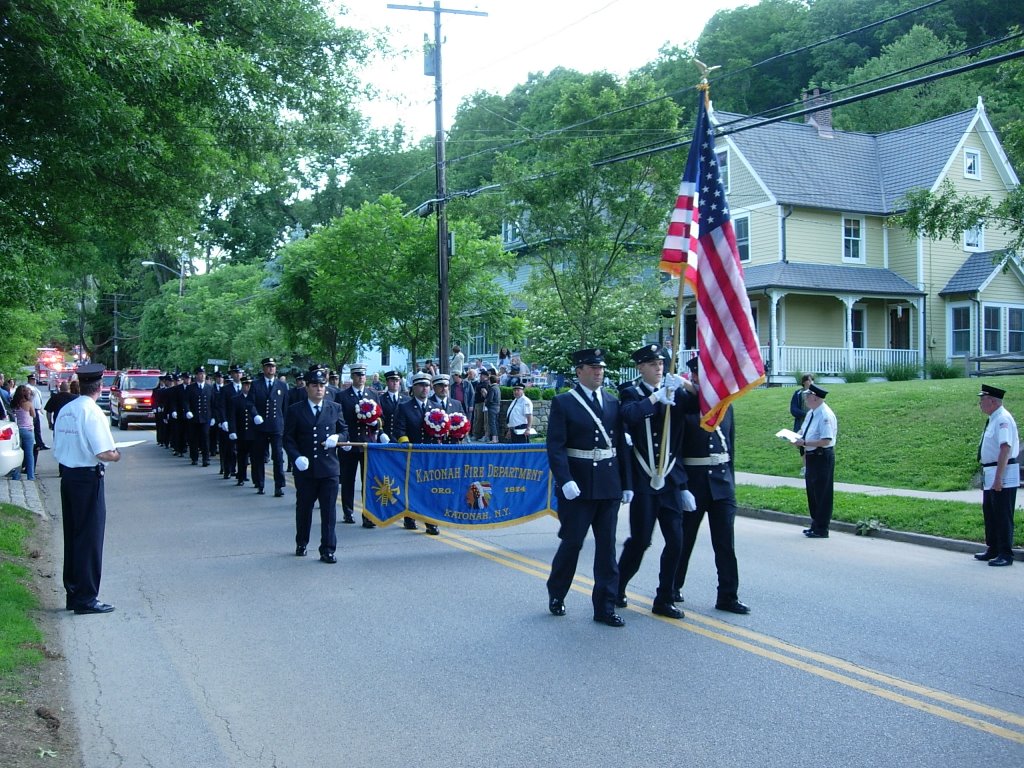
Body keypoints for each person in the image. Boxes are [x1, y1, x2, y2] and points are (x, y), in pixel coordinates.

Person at [545, 348, 631, 627]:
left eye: (601, 368)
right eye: (592, 367)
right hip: (577, 487)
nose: (598, 372)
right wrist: (565, 479)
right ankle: (557, 592)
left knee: (607, 548)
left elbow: (620, 447)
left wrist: (627, 483)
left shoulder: (612, 402)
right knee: (573, 543)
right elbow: (555, 447)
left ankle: (604, 607)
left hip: (608, 485)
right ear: (579, 371)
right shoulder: (564, 402)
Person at [616, 344, 688, 619]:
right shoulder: (631, 393)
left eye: (661, 363)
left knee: (676, 540)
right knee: (640, 540)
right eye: (652, 364)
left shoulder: (675, 391)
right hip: (645, 480)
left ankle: (665, 597)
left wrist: (683, 386)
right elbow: (630, 416)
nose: (659, 367)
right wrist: (658, 397)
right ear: (640, 368)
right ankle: (618, 587)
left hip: (669, 480)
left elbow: (698, 407)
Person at [674, 356, 750, 614]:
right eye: (700, 376)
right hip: (694, 483)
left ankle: (728, 595)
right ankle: (672, 587)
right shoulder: (684, 407)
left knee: (725, 543)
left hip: (721, 483)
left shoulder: (726, 407)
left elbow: (731, 448)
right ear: (693, 377)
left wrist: (731, 482)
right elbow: (675, 452)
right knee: (684, 540)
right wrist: (682, 487)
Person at [53, 364, 121, 614]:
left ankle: (73, 592)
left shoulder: (67, 409)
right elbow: (103, 451)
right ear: (100, 386)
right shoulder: (92, 412)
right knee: (90, 538)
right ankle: (86, 597)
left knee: (73, 536)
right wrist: (116, 456)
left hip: (68, 476)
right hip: (87, 477)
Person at [284, 367, 348, 563]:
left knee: (329, 511)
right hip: (306, 469)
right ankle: (302, 542)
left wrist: (338, 437)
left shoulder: (334, 408)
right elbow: (288, 438)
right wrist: (295, 457)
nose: (319, 389)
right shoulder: (295, 410)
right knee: (304, 508)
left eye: (322, 385)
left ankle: (328, 549)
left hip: (329, 468)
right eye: (315, 385)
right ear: (307, 388)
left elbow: (345, 432)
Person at [975, 384, 1019, 567]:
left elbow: (1005, 448)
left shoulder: (1003, 419)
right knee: (990, 512)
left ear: (992, 401)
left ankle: (1005, 554)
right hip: (991, 471)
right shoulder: (994, 418)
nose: (980, 403)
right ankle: (992, 548)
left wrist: (999, 478)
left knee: (1002, 513)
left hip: (1002, 471)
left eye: (982, 400)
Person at [396, 371, 442, 535]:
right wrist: (407, 446)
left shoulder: (436, 407)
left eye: (427, 385)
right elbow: (399, 430)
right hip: (412, 454)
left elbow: (442, 430)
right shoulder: (404, 407)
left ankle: (431, 522)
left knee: (431, 488)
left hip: (431, 454)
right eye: (421, 385)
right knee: (413, 487)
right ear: (413, 388)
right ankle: (410, 516)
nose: (425, 389)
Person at [338, 364, 378, 528]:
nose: (361, 378)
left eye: (363, 375)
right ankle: (348, 511)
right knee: (348, 479)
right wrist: (343, 439)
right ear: (352, 377)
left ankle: (368, 515)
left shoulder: (373, 394)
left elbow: (378, 417)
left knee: (368, 481)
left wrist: (376, 426)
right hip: (350, 443)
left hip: (367, 444)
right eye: (358, 375)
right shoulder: (343, 396)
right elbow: (339, 420)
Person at [794, 384, 837, 538]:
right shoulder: (811, 413)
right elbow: (803, 430)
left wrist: (804, 443)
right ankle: (815, 524)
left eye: (808, 395)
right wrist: (795, 437)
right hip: (811, 457)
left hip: (822, 456)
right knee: (812, 492)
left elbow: (825, 440)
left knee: (822, 493)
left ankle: (822, 528)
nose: (805, 398)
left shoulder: (825, 415)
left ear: (815, 397)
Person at [248, 357, 288, 497]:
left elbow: (285, 407)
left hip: (276, 425)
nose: (271, 369)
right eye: (268, 366)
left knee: (278, 456)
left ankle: (279, 486)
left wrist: (285, 425)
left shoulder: (282, 385)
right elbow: (250, 403)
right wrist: (255, 415)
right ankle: (260, 483)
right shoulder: (256, 384)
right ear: (264, 368)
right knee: (258, 456)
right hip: (260, 426)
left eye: (273, 366)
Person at [185, 366, 214, 467]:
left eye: (204, 374)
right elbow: (186, 402)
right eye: (200, 374)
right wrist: (187, 411)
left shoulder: (210, 388)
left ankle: (206, 459)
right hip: (194, 417)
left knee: (205, 437)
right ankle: (194, 458)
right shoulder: (190, 388)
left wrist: (214, 417)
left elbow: (213, 403)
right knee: (194, 438)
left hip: (206, 417)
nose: (202, 376)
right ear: (196, 375)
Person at [9, 385, 36, 480]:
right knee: (29, 454)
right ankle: (31, 476)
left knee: (18, 454)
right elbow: (34, 415)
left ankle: (16, 475)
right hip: (28, 430)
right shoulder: (28, 403)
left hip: (18, 430)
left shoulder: (15, 403)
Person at [790, 374, 814, 477]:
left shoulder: (815, 393)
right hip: (801, 423)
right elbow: (793, 409)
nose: (811, 382)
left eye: (812, 380)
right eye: (809, 380)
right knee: (801, 445)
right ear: (804, 382)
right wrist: (805, 414)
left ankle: (809, 466)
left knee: (810, 444)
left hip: (813, 423)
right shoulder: (798, 393)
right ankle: (805, 467)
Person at [44, 380, 77, 448]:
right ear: (68, 388)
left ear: (60, 388)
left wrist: (49, 422)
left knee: (58, 442)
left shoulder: (54, 397)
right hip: (71, 424)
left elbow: (48, 412)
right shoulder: (75, 398)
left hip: (58, 424)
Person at [26, 373, 48, 450]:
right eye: (33, 379)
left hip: (37, 409)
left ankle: (40, 443)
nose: (34, 381)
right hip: (32, 409)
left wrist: (40, 407)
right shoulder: (28, 388)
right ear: (30, 380)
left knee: (37, 428)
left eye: (35, 379)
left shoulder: (34, 388)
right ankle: (38, 443)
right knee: (35, 428)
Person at [485, 372, 501, 443]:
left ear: (490, 381)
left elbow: (490, 399)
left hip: (492, 407)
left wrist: (486, 403)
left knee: (492, 423)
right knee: (496, 422)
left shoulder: (492, 388)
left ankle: (494, 439)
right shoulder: (497, 388)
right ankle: (497, 438)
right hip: (497, 407)